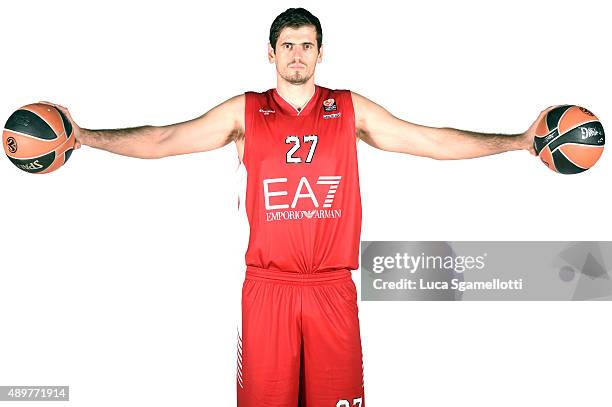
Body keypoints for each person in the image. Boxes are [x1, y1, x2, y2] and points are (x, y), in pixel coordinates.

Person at [47, 7, 547, 407]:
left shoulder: (350, 109)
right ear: (271, 53)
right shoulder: (245, 112)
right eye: (288, 45)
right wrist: (83, 137)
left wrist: (520, 142)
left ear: (320, 53)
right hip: (269, 288)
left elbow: (429, 140)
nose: (297, 55)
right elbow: (163, 139)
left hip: (331, 286)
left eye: (306, 45)